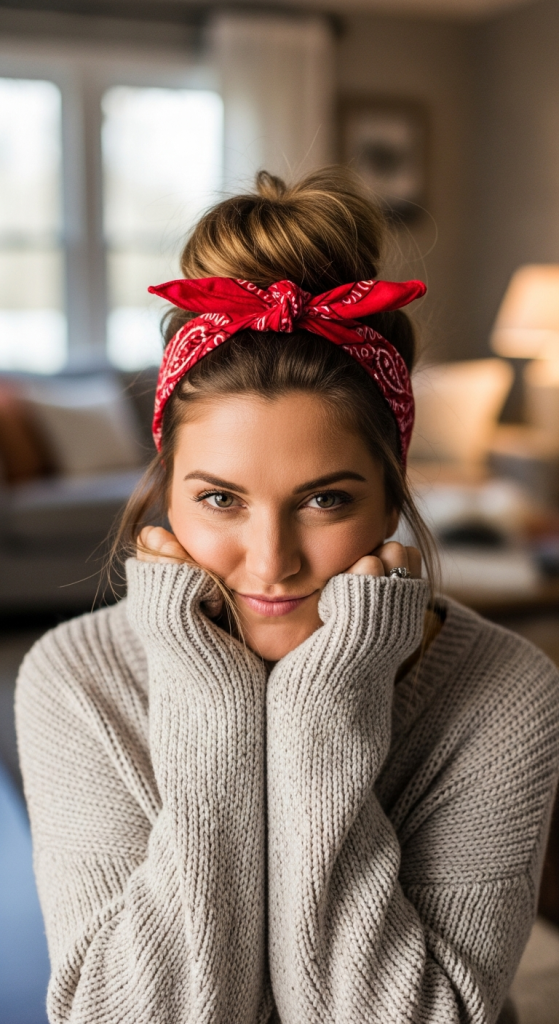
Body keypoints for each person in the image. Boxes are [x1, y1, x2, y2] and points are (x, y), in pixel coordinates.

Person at [16, 169, 559, 1024]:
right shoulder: (73, 678)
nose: (269, 564)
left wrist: (324, 708)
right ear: (165, 495)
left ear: (391, 500)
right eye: (220, 499)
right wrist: (211, 698)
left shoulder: (506, 689)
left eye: (325, 499)